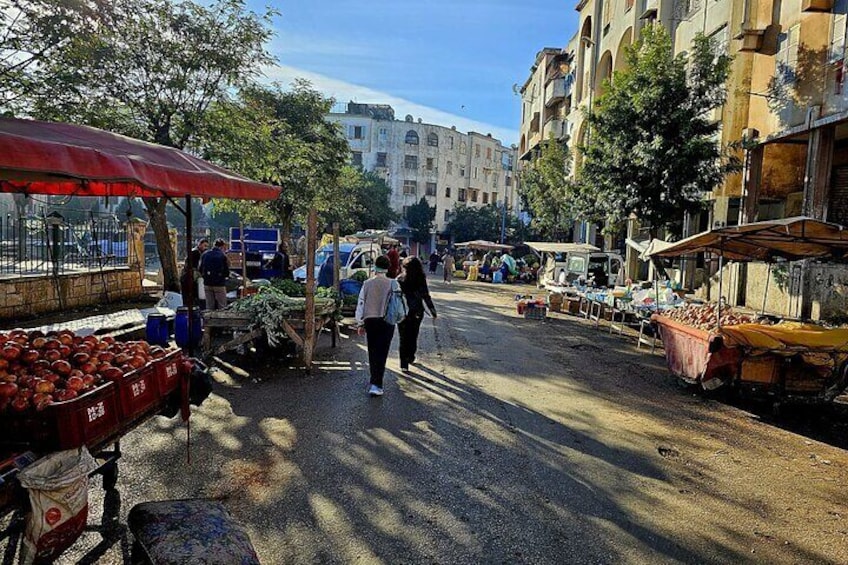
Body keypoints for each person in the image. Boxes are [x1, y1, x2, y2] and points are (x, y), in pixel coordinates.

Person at [355, 255, 396, 397]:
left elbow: (361, 303)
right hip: (388, 321)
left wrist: (360, 323)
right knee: (383, 352)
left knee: (372, 351)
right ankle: (378, 384)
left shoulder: (367, 283)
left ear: (375, 266)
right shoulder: (393, 284)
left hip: (370, 320)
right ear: (388, 267)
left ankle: (374, 383)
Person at [397, 257, 436, 371]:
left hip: (402, 312)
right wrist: (432, 310)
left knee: (403, 337)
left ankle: (403, 364)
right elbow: (426, 295)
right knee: (413, 335)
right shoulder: (420, 279)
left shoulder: (399, 279)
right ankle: (410, 356)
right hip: (416, 312)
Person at [199, 238, 230, 310]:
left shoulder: (205, 254)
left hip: (207, 283)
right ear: (222, 247)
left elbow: (200, 268)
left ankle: (209, 320)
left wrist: (205, 276)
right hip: (219, 284)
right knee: (222, 306)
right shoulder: (223, 256)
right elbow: (226, 272)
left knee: (209, 306)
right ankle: (220, 320)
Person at [180, 238, 208, 302]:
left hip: (188, 276)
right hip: (190, 276)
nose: (205, 248)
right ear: (200, 245)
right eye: (205, 246)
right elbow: (197, 266)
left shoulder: (195, 251)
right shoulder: (196, 253)